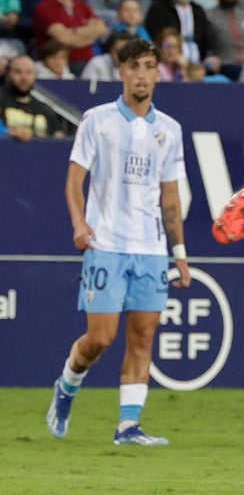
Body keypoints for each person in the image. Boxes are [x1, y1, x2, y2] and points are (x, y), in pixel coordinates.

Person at [45, 37, 189, 442]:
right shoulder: (97, 120)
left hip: (150, 249)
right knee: (101, 337)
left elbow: (171, 196)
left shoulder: (169, 130)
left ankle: (128, 425)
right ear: (121, 71)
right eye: (134, 67)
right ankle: (67, 385)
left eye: (148, 66)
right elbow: (75, 180)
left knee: (143, 336)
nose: (141, 75)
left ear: (157, 73)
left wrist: (178, 253)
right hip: (105, 243)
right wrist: (79, 223)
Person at [0, 54, 77, 137]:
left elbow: (56, 137)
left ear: (35, 75)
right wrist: (9, 132)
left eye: (29, 72)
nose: (24, 77)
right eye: (18, 72)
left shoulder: (45, 109)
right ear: (7, 74)